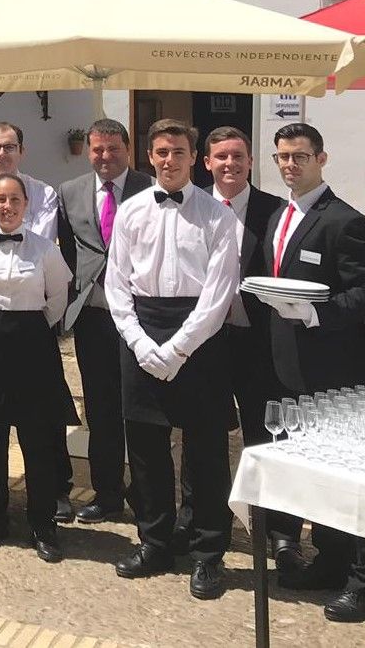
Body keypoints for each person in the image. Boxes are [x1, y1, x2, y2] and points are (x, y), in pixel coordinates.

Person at [105, 119, 238, 602]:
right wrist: (141, 344)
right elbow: (116, 282)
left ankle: (208, 554)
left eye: (178, 152)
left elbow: (219, 293)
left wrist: (179, 347)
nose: (169, 160)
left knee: (205, 453)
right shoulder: (132, 210)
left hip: (198, 337)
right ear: (150, 156)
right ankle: (155, 543)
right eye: (161, 152)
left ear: (194, 156)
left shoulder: (218, 215)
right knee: (145, 449)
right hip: (141, 329)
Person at [261, 124, 365, 621]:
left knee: (349, 477)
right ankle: (330, 562)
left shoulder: (345, 221)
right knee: (319, 476)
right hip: (289, 369)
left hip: (335, 371)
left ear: (322, 158)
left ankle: (361, 580)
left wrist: (316, 313)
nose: (290, 165)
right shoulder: (279, 214)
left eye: (300, 157)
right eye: (283, 157)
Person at [179, 126, 286, 556]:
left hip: (256, 343)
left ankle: (278, 531)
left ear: (250, 161)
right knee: (199, 436)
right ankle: (197, 518)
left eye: (238, 156)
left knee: (266, 438)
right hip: (205, 342)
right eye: (220, 156)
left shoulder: (275, 211)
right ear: (206, 162)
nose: (229, 164)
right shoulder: (192, 207)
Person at [0, 174, 74, 562]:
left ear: (26, 205)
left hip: (32, 346)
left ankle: (43, 523)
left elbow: (57, 297)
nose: (7, 207)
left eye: (15, 200)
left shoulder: (45, 249)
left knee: (37, 438)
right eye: (0, 199)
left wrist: (31, 326)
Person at [55, 118, 151, 523]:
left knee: (143, 411)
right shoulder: (70, 192)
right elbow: (66, 250)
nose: (105, 156)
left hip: (143, 318)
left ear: (127, 150)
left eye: (113, 149)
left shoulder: (151, 189)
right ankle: (107, 492)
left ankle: (146, 496)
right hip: (94, 316)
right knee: (101, 408)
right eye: (97, 149)